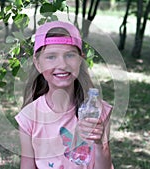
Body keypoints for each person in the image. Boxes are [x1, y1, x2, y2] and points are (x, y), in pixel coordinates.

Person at [15, 21, 113, 169]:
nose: (62, 64)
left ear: (80, 59)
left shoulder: (98, 111)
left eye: (70, 55)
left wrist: (100, 143)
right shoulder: (29, 117)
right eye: (51, 57)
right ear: (37, 63)